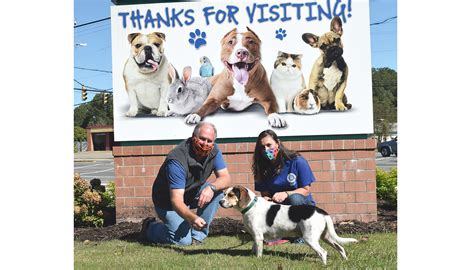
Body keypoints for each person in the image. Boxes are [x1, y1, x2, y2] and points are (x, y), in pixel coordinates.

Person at [139, 122, 231, 245]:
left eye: (209, 141)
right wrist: (193, 218)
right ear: (194, 136)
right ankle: (150, 227)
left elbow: (225, 178)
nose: (205, 144)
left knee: (218, 192)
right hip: (168, 203)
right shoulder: (177, 161)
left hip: (191, 193)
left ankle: (197, 236)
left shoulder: (214, 151)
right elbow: (176, 201)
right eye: (202, 139)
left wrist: (211, 188)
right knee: (183, 241)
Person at [252, 129, 317, 244]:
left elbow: (306, 190)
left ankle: (302, 235)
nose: (266, 149)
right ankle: (276, 235)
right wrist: (266, 200)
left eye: (269, 145)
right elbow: (265, 194)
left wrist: (286, 194)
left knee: (295, 198)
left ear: (278, 143)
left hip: (301, 205)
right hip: (278, 208)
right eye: (262, 147)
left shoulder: (297, 161)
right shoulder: (261, 167)